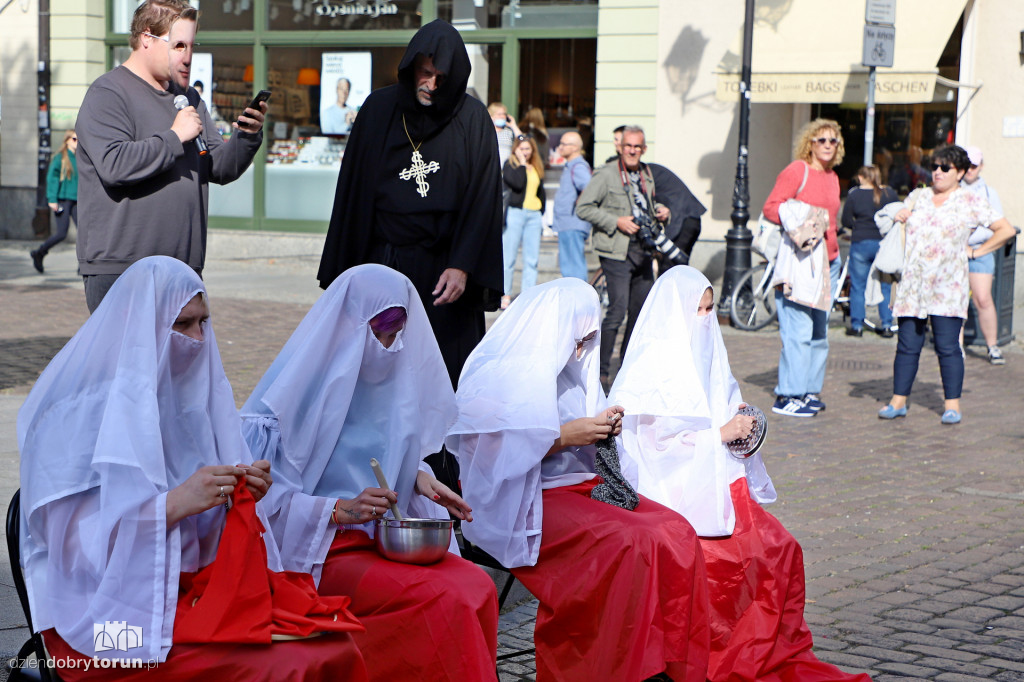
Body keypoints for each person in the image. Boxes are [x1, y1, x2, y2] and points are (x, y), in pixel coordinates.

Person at [17, 256, 368, 680]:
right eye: (182, 325)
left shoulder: (197, 402)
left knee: (327, 644)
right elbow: (70, 551)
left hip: (189, 592)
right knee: (278, 665)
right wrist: (173, 505)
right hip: (99, 627)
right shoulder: (73, 415)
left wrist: (236, 495)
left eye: (204, 323)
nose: (198, 339)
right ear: (137, 325)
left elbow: (209, 533)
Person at [610, 266, 873, 682]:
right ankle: (713, 654)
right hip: (670, 499)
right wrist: (718, 435)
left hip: (718, 488)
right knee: (730, 562)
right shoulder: (651, 365)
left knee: (781, 548)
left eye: (710, 309)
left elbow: (725, 404)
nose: (705, 319)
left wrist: (742, 426)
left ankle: (767, 647)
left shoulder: (710, 349)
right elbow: (651, 450)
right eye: (697, 310)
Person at [241, 264, 499, 681]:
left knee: (478, 587)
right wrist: (339, 509)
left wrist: (419, 477)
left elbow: (387, 449)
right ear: (346, 326)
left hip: (384, 540)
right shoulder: (286, 405)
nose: (386, 346)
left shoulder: (396, 384)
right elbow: (262, 505)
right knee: (442, 598)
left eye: (395, 336)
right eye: (376, 334)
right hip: (322, 549)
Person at [448, 277, 711, 682]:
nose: (580, 351)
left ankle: (664, 661)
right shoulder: (495, 374)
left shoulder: (573, 372)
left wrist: (603, 427)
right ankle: (599, 665)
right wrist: (563, 438)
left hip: (574, 487)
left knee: (676, 530)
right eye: (576, 338)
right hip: (518, 499)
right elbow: (487, 460)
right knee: (627, 543)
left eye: (588, 340)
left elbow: (585, 443)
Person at [317, 19, 503, 392]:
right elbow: (353, 191)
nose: (431, 85)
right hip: (384, 261)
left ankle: (437, 453)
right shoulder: (380, 109)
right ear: (412, 66)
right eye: (425, 72)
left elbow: (483, 199)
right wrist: (351, 270)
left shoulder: (472, 119)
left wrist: (463, 264)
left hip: (443, 271)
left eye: (441, 78)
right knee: (377, 367)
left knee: (437, 373)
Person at [74, 0, 267, 313]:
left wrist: (246, 137)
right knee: (130, 362)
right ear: (147, 38)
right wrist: (175, 137)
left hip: (184, 267)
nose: (188, 57)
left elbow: (218, 166)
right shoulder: (108, 92)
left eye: (191, 45)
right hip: (124, 268)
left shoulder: (189, 97)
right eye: (178, 45)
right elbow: (114, 164)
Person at [877, 144, 1016, 425]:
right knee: (907, 345)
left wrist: (976, 252)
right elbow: (896, 218)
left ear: (961, 172)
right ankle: (898, 400)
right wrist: (898, 214)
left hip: (947, 286)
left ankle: (952, 405)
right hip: (913, 284)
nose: (937, 172)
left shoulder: (970, 200)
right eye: (934, 166)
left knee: (948, 346)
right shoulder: (919, 196)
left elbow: (1006, 229)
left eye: (945, 168)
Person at [576, 124, 670, 386]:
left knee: (639, 312)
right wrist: (615, 221)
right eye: (628, 146)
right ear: (620, 147)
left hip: (643, 251)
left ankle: (626, 368)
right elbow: (583, 208)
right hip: (615, 250)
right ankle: (601, 370)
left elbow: (647, 204)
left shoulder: (646, 173)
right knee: (616, 311)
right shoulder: (606, 174)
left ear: (644, 148)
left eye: (637, 147)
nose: (632, 150)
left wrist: (661, 211)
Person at [762, 118, 844, 418]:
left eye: (833, 141)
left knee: (820, 332)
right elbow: (772, 207)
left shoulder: (833, 177)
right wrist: (805, 219)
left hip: (829, 263)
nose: (827, 145)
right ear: (809, 143)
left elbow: (833, 221)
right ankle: (788, 395)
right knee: (798, 330)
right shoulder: (798, 170)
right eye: (821, 140)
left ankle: (809, 389)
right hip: (800, 261)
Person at [961, 146, 1008, 364]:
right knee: (956, 301)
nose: (970, 170)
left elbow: (997, 226)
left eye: (974, 165)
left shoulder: (989, 193)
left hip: (980, 251)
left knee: (983, 299)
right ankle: (955, 347)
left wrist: (977, 248)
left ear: (981, 166)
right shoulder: (953, 189)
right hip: (956, 252)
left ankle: (992, 346)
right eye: (966, 165)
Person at [841, 165, 899, 337]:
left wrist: (857, 227)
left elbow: (846, 220)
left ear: (860, 177)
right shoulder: (889, 194)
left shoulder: (854, 195)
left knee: (858, 286)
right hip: (883, 244)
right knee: (885, 286)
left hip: (860, 242)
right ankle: (887, 324)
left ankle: (857, 325)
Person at [501, 134, 547, 308]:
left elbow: (540, 190)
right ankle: (505, 294)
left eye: (528, 149)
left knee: (531, 259)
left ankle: (528, 295)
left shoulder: (536, 166)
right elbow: (518, 184)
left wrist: (541, 209)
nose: (525, 152)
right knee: (509, 256)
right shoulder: (511, 165)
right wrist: (521, 163)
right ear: (516, 149)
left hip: (534, 215)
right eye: (522, 148)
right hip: (515, 213)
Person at [31, 129, 78, 273]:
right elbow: (52, 179)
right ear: (67, 140)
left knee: (84, 233)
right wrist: (52, 199)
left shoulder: (81, 157)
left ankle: (83, 264)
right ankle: (39, 253)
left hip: (77, 200)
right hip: (63, 199)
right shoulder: (61, 158)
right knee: (61, 233)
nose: (77, 142)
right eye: (74, 139)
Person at [648, 162, 706, 268]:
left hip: (681, 220)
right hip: (692, 217)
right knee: (679, 265)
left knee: (669, 266)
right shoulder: (651, 170)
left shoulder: (643, 173)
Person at [552, 131, 592, 281]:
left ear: (575, 147)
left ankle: (579, 299)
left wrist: (578, 206)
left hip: (573, 223)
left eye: (564, 144)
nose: (560, 147)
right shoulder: (571, 166)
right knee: (569, 266)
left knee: (573, 266)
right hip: (567, 223)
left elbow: (589, 187)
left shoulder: (578, 166)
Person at [488, 101, 522, 168]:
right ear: (491, 115)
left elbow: (522, 140)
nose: (502, 116)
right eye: (499, 114)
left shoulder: (509, 132)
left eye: (504, 114)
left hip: (507, 169)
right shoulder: (487, 131)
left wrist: (513, 126)